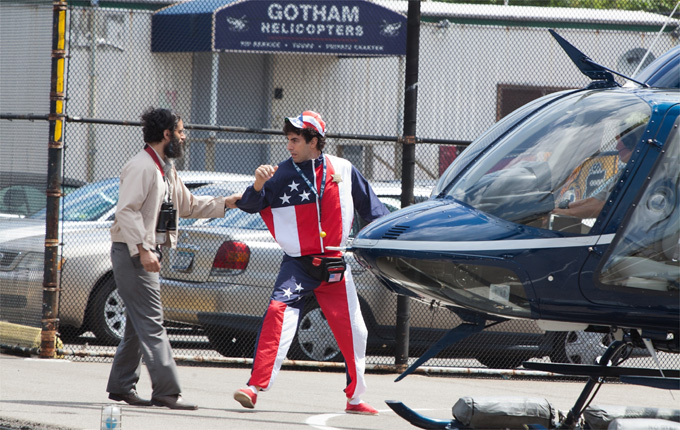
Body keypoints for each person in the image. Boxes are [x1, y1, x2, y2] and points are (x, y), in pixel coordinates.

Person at [225, 110, 389, 415]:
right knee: (277, 313)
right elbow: (251, 204)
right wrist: (258, 185)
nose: (289, 146)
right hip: (298, 265)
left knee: (356, 330)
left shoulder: (344, 169)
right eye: (288, 139)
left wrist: (395, 237)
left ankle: (355, 399)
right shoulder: (279, 174)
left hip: (334, 265)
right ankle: (254, 387)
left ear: (314, 141)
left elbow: (374, 210)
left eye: (295, 140)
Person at [107, 107, 230, 410]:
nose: (184, 137)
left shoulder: (165, 168)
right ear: (167, 134)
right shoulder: (142, 167)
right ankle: (167, 392)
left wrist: (228, 203)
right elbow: (126, 211)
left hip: (142, 252)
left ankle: (122, 385)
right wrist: (144, 249)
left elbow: (188, 205)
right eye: (181, 131)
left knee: (138, 325)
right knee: (152, 323)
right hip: (133, 254)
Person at [552, 119, 641, 220]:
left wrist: (567, 213)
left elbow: (608, 207)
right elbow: (594, 201)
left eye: (620, 142)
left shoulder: (639, 175)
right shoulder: (623, 173)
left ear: (631, 143)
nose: (616, 147)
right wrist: (564, 207)